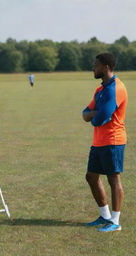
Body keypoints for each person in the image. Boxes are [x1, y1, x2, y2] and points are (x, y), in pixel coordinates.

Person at [82, 53, 127, 232]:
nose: (93, 67)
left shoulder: (116, 88)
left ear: (106, 67)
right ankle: (105, 216)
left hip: (113, 140)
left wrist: (93, 115)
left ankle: (115, 222)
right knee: (91, 177)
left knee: (113, 179)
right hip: (99, 141)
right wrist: (93, 114)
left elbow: (99, 118)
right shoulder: (100, 90)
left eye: (96, 65)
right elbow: (86, 113)